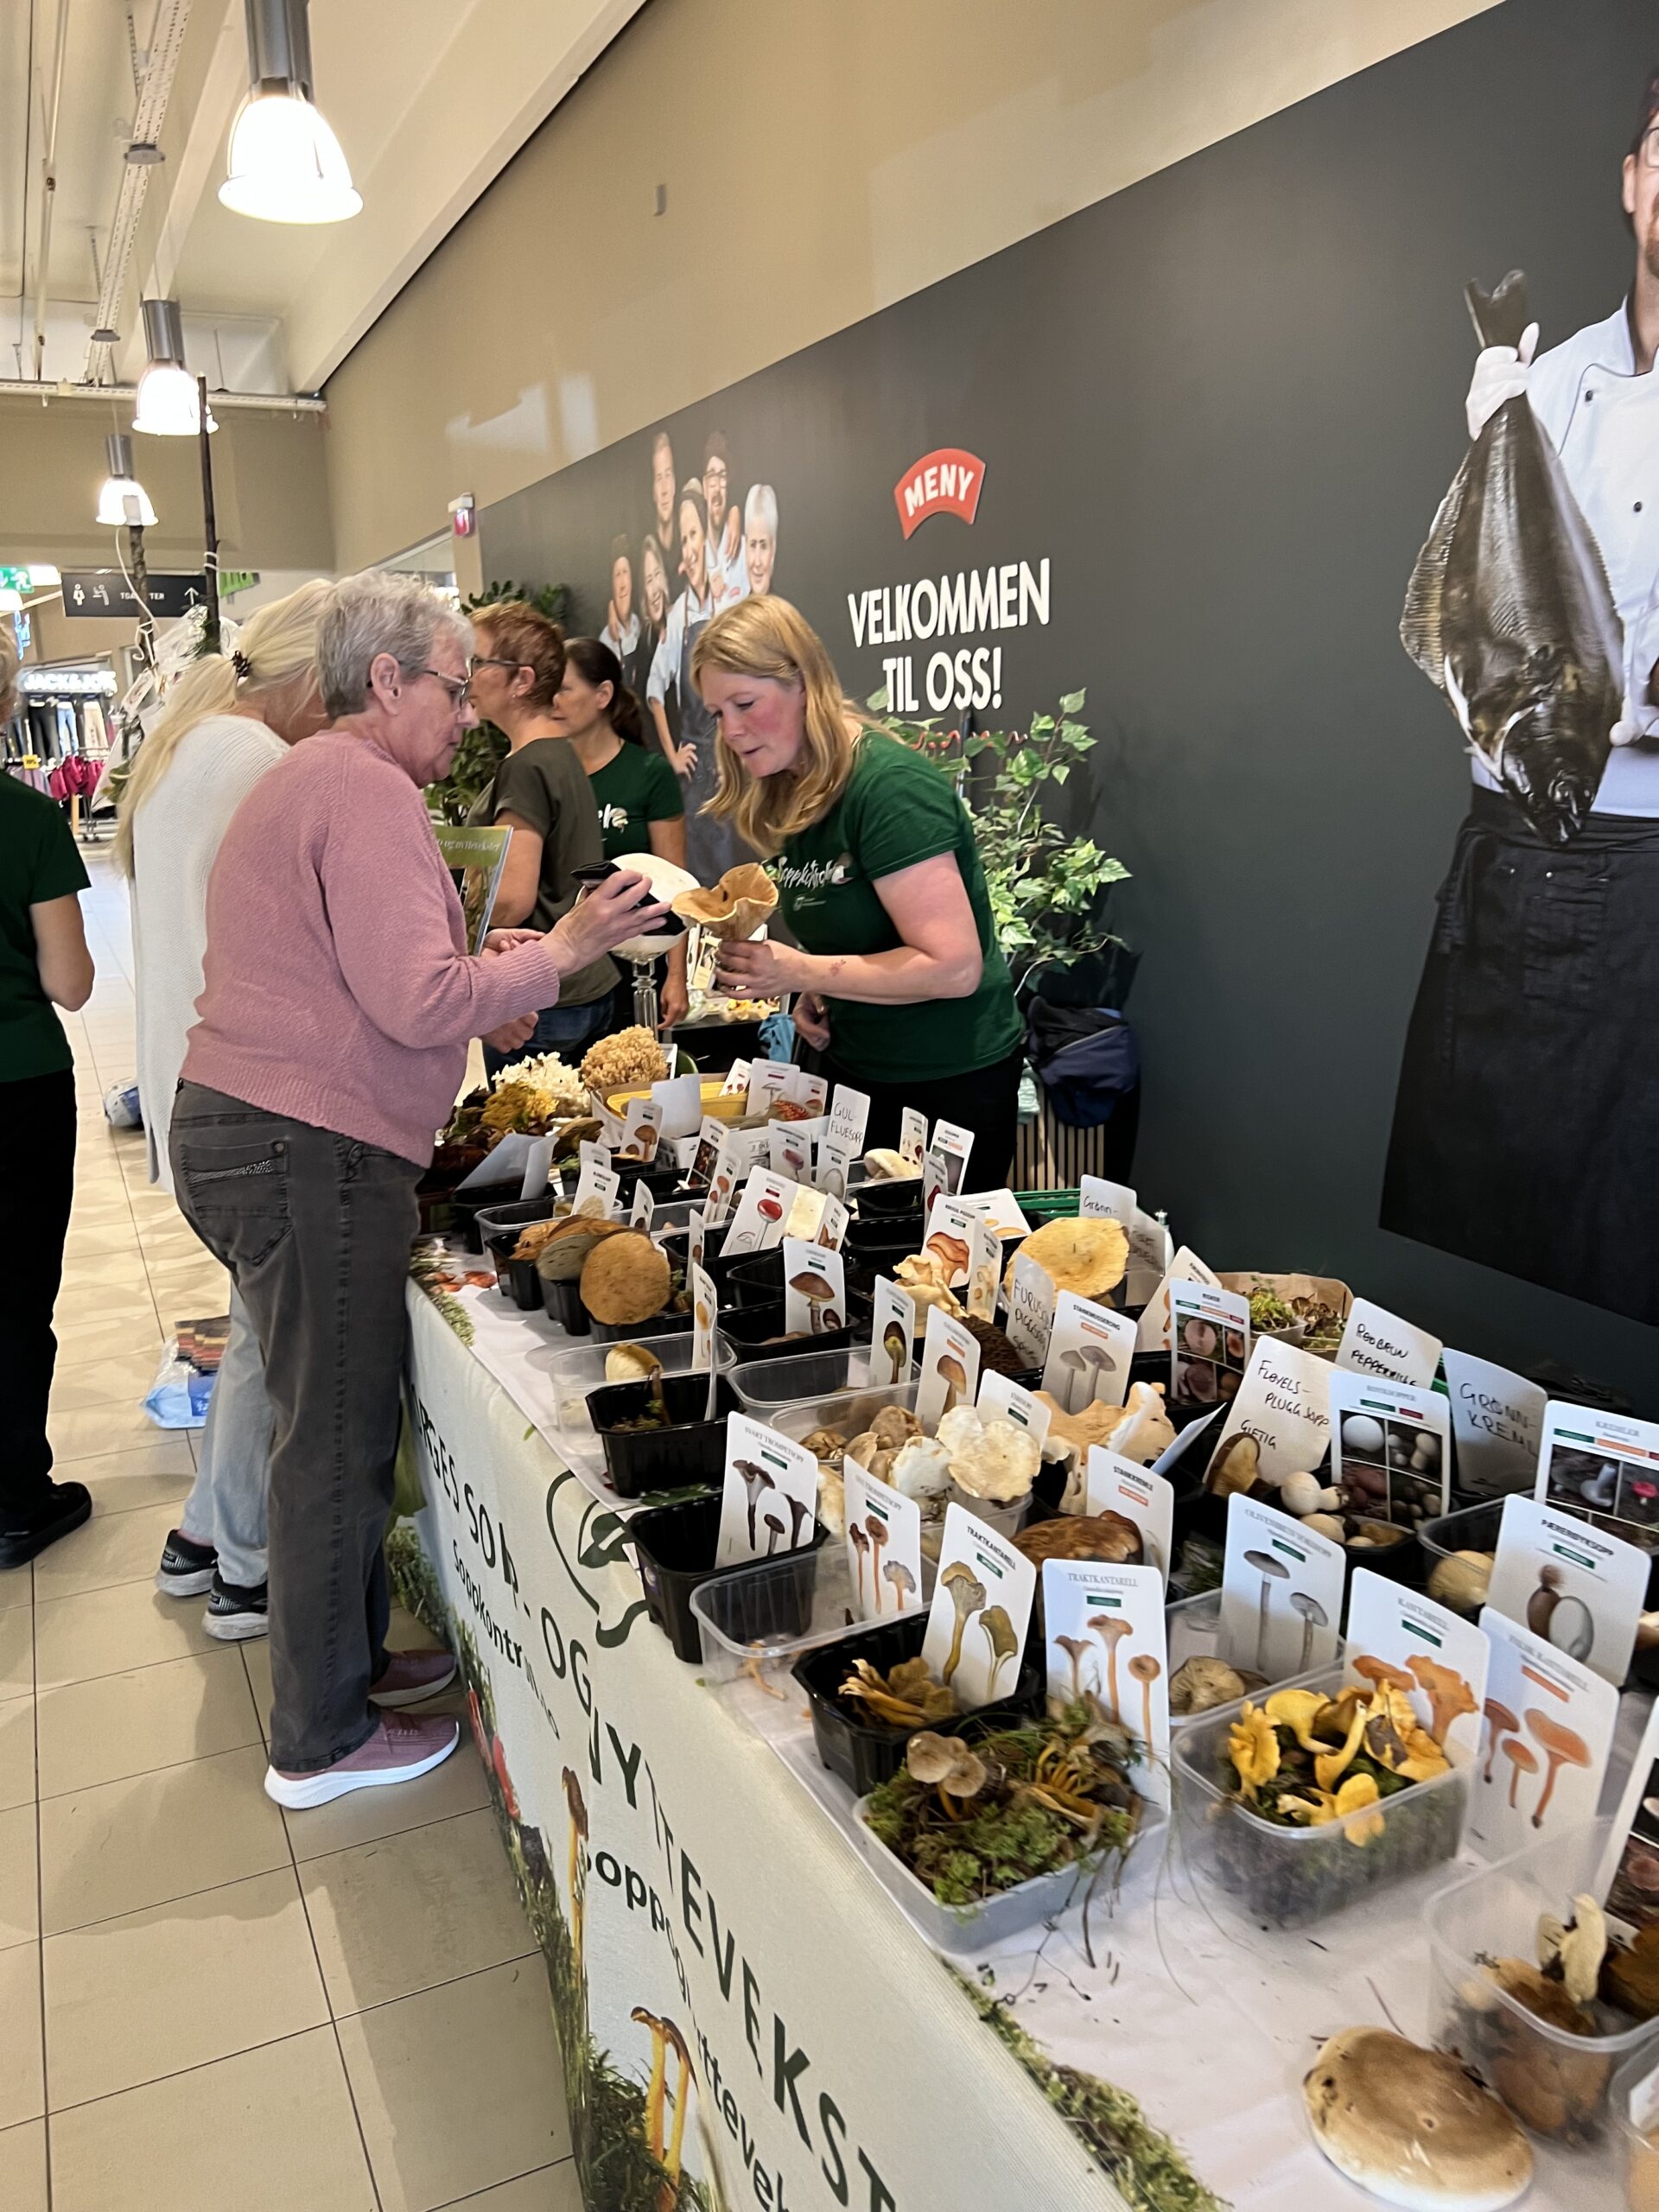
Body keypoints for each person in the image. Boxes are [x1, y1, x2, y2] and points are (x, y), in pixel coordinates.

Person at [170, 572, 666, 1808]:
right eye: (453, 688)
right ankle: (319, 1738)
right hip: (306, 1148)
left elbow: (371, 969)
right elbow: (412, 1001)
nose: (468, 714)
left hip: (264, 1135)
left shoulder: (313, 777)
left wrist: (489, 962)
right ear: (385, 679)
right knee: (334, 1438)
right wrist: (563, 951)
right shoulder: (363, 786)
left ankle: (344, 1665)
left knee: (323, 1417)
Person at [1382, 65, 1659, 1324]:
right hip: (1507, 868)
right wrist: (1496, 435)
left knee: (1625, 1274)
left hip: (1646, 879)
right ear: (1632, 180)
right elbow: (1471, 627)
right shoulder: (1547, 387)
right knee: (1467, 1258)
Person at [118, 581, 334, 1639]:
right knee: (264, 1337)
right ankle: (246, 1567)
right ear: (313, 675)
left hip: (191, 1086)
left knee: (254, 1318)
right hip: (249, 1092)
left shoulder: (189, 746)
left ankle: (204, 1531)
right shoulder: (259, 762)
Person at [694, 597, 1025, 1179]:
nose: (733, 731)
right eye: (717, 713)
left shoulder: (890, 788)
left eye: (745, 704)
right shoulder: (792, 785)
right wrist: (820, 989)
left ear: (804, 683)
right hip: (858, 1072)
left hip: (946, 1080)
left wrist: (803, 971)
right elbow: (855, 936)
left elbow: (954, 968)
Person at [0, 624, 95, 1570]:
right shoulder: (28, 821)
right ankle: (16, 1498)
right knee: (17, 1292)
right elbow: (70, 983)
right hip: (17, 1083)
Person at [467, 599, 620, 1071]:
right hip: (584, 984)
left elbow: (511, 899)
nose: (467, 677)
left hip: (543, 998)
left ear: (522, 680)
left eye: (478, 662)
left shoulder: (526, 766)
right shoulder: (559, 752)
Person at [548, 637, 689, 1026]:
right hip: (567, 970)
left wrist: (676, 976)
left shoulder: (649, 773)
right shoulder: (547, 775)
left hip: (638, 965)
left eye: (563, 689)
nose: (553, 701)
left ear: (603, 694)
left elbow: (678, 885)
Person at [649, 482, 734, 879]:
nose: (689, 546)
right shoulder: (678, 614)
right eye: (683, 538)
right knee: (697, 874)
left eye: (694, 534)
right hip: (696, 768)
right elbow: (654, 691)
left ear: (706, 538)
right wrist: (672, 755)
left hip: (732, 759)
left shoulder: (729, 600)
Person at [601, 536, 652, 702]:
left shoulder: (641, 625)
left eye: (625, 573)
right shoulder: (607, 640)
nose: (622, 584)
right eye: (617, 575)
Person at [702, 432, 746, 606]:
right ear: (704, 486)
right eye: (712, 476)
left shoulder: (744, 549)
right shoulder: (696, 553)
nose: (717, 487)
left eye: (722, 476)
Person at [649, 429, 677, 575]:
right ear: (653, 491)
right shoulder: (647, 551)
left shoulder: (687, 538)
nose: (664, 490)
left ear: (675, 483)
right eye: (659, 478)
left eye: (668, 475)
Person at [743, 483, 779, 599]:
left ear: (773, 549)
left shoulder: (783, 610)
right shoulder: (734, 609)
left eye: (763, 546)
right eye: (752, 545)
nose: (757, 562)